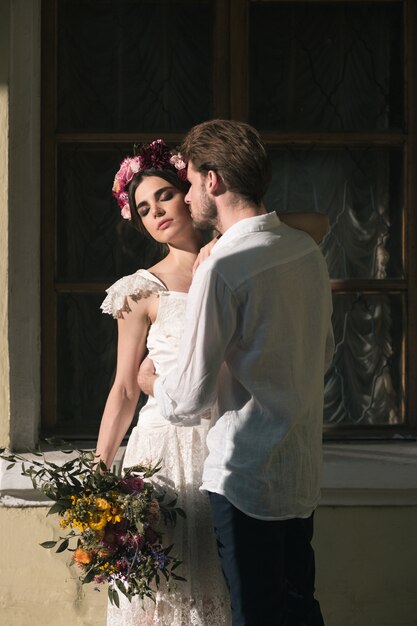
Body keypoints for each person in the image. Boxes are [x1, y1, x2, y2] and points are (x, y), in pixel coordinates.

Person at [96, 138, 330, 626]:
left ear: (194, 191)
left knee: (231, 594)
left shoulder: (235, 258)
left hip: (222, 443)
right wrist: (98, 481)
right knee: (169, 592)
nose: (155, 211)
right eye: (142, 208)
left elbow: (314, 224)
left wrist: (221, 244)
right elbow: (123, 388)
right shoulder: (140, 290)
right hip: (164, 454)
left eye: (164, 195)